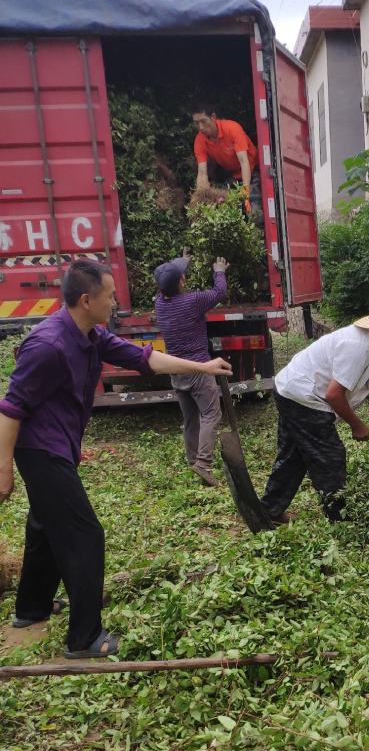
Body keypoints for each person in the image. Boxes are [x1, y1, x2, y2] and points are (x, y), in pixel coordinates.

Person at [0, 260, 232, 659]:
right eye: (110, 296)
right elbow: (11, 409)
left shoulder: (91, 335)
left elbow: (147, 360)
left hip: (60, 445)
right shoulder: (48, 344)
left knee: (44, 524)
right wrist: (3, 469)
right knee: (84, 535)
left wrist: (203, 366)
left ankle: (32, 609)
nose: (115, 303)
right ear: (87, 300)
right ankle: (85, 638)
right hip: (41, 451)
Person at [260, 287, 369, 526]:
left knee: (295, 454)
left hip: (293, 389)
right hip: (303, 395)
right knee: (330, 457)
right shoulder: (358, 345)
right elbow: (334, 395)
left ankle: (269, 511)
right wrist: (358, 425)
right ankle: (341, 520)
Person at [154, 251, 228, 487]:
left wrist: (182, 260)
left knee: (190, 419)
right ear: (182, 282)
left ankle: (192, 460)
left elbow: (169, 281)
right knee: (211, 414)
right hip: (199, 369)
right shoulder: (192, 301)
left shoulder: (160, 303)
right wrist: (219, 271)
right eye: (183, 276)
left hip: (177, 371)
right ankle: (203, 464)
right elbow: (220, 293)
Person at [192, 102, 261, 222]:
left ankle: (259, 233)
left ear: (213, 117)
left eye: (203, 121)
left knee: (253, 211)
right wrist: (200, 197)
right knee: (220, 205)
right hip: (233, 175)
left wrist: (245, 194)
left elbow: (244, 162)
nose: (201, 127)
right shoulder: (199, 140)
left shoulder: (232, 128)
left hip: (252, 169)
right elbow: (202, 173)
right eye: (196, 123)